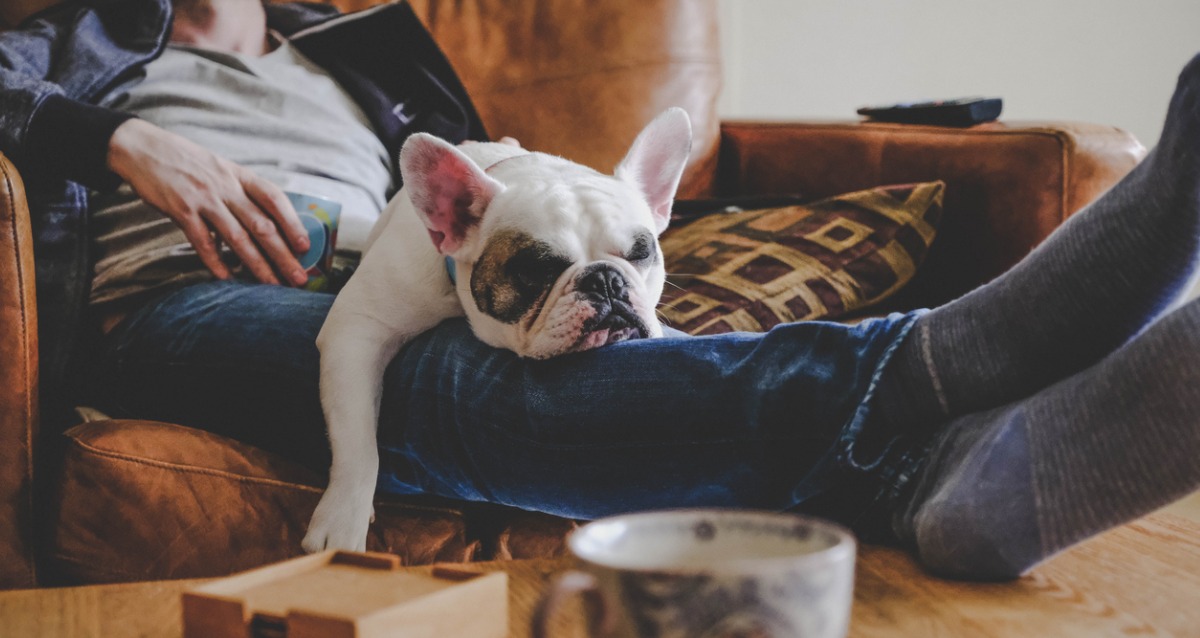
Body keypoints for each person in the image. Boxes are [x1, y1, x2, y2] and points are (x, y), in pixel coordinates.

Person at [2, 0, 1197, 581]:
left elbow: (464, 212)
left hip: (369, 261)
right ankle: (948, 357)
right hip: (177, 300)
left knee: (533, 355)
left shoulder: (353, 44)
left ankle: (943, 490)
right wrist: (121, 142)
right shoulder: (71, 43)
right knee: (451, 387)